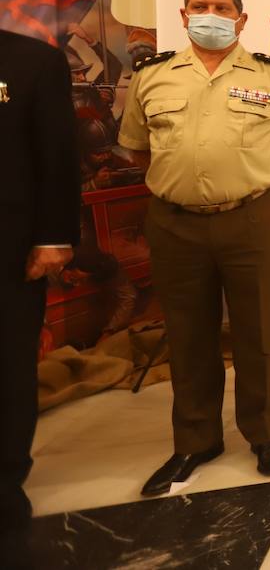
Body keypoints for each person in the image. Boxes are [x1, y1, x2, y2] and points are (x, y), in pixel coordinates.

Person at [117, 0, 270, 496]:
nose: (211, 14)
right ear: (183, 16)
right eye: (200, 6)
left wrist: (247, 188)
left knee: (259, 332)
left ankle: (266, 434)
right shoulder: (153, 78)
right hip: (175, 222)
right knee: (188, 333)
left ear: (241, 20)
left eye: (221, 7)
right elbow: (136, 150)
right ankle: (195, 440)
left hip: (250, 218)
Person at [0, 30, 80, 561]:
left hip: (9, 249)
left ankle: (4, 488)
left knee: (7, 370)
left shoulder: (31, 60)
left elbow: (57, 155)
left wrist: (54, 237)